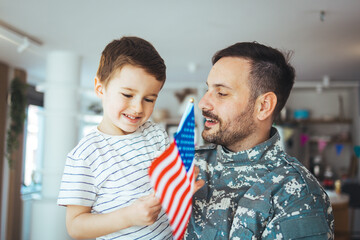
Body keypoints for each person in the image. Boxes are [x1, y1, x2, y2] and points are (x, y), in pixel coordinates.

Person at [185, 42, 334, 239]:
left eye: (221, 93)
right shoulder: (186, 163)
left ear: (263, 106)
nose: (203, 103)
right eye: (208, 89)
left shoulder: (297, 194)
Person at [57, 36, 173, 239]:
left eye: (149, 99)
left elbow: (171, 179)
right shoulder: (85, 155)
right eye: (127, 95)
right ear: (100, 88)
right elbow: (75, 226)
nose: (138, 108)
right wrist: (128, 216)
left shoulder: (156, 134)